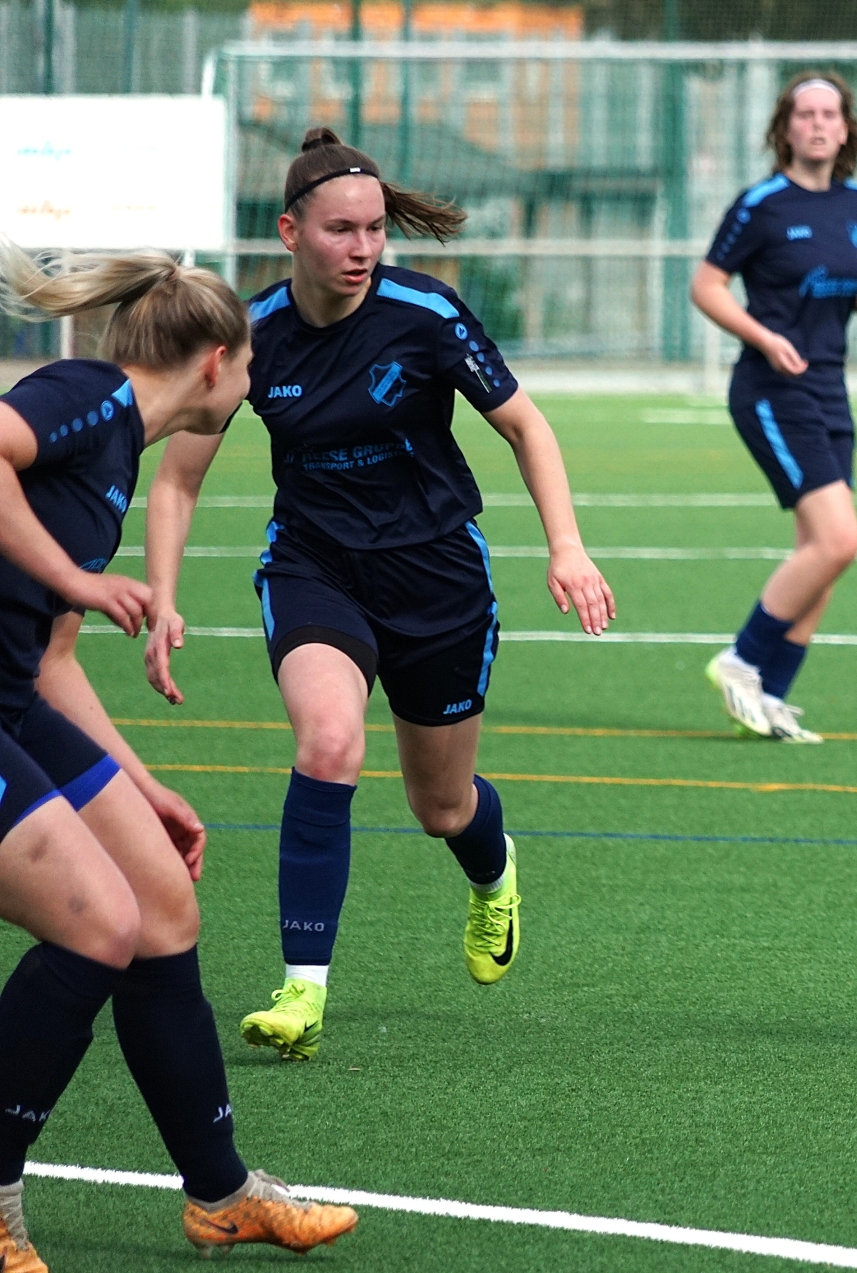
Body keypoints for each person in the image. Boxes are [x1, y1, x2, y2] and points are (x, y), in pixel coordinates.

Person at [143, 127, 616, 1061]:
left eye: (374, 230)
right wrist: (161, 592)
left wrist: (567, 547)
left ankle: (493, 873)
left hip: (437, 576)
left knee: (441, 806)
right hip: (315, 567)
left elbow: (526, 426)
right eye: (340, 231)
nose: (362, 248)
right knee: (328, 742)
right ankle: (302, 989)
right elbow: (178, 479)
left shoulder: (425, 314)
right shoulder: (250, 335)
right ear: (290, 231)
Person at [0, 245, 359, 1267]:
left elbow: (51, 661)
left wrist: (139, 783)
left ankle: (221, 1194)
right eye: (248, 368)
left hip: (14, 701)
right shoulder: (88, 393)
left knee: (160, 907)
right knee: (98, 925)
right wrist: (78, 576)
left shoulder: (119, 452)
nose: (250, 388)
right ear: (215, 363)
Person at [691, 72, 857, 742]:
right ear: (786, 128)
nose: (817, 124)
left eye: (828, 114)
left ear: (845, 129)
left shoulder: (855, 203)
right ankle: (741, 661)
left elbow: (844, 286)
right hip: (771, 389)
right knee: (839, 540)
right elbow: (707, 286)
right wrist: (763, 336)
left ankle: (770, 698)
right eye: (804, 114)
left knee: (824, 552)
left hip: (830, 390)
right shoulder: (761, 204)